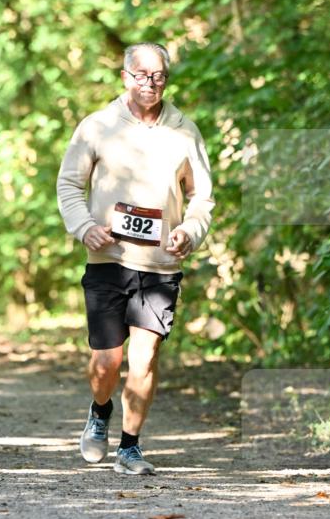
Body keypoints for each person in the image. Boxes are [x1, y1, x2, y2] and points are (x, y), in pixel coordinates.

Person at [57, 42, 213, 476]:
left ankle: (130, 446)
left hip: (160, 264)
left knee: (144, 358)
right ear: (125, 76)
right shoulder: (97, 126)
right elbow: (69, 185)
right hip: (108, 258)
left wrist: (190, 231)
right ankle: (99, 410)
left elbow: (201, 195)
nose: (151, 83)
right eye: (142, 75)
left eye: (159, 75)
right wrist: (84, 225)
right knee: (107, 363)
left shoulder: (184, 131)